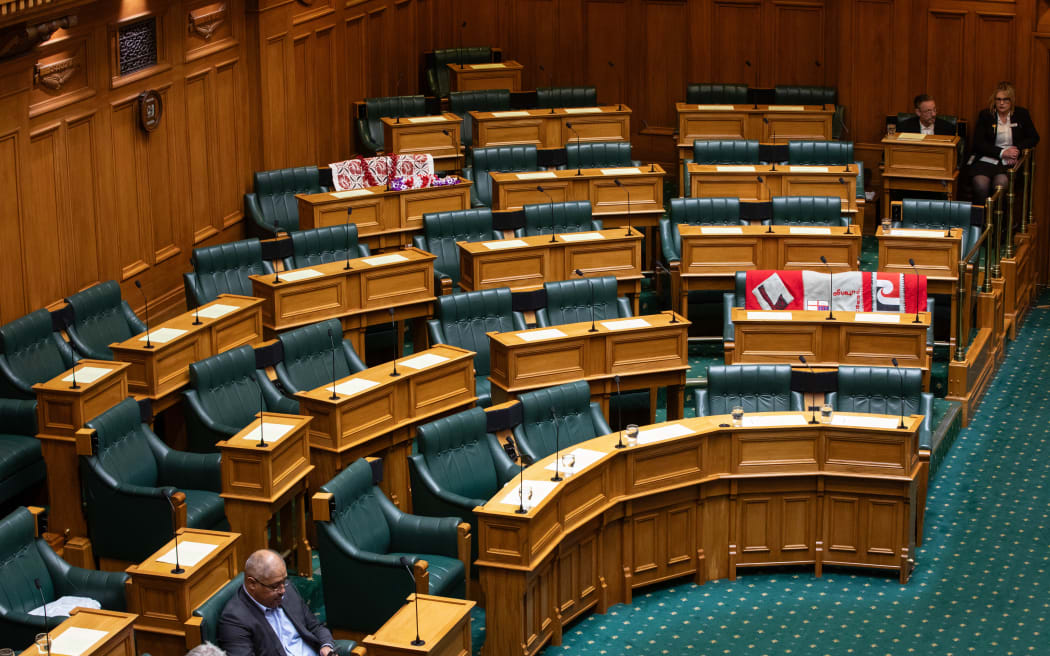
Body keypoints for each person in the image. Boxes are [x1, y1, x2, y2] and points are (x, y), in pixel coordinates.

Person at [218, 549, 336, 656]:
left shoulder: (287, 590)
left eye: (284, 581)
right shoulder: (234, 620)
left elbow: (315, 626)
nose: (283, 590)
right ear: (252, 584)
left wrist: (326, 646)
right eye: (275, 586)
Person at [970, 82, 1040, 201]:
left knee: (1001, 184)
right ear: (994, 100)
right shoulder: (986, 115)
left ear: (1011, 100)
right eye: (998, 100)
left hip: (1009, 162)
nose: (1001, 103)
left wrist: (1016, 149)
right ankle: (983, 217)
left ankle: (997, 218)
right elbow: (978, 143)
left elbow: (1034, 138)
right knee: (980, 184)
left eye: (1005, 100)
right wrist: (1002, 152)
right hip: (987, 158)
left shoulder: (1021, 114)